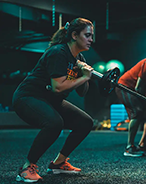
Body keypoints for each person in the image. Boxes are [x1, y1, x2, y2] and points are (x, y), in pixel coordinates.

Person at [12, 18, 95, 183]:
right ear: (74, 35)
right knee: (54, 123)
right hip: (28, 97)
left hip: (50, 99)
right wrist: (84, 77)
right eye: (87, 35)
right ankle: (26, 168)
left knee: (85, 122)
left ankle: (58, 163)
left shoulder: (79, 59)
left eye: (92, 36)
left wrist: (84, 76)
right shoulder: (58, 53)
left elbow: (82, 93)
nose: (91, 39)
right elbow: (58, 87)